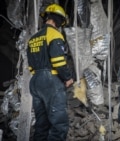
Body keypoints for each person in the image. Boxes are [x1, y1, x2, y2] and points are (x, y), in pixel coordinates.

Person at [26, 3, 74, 141]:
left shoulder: (33, 38)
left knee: (42, 124)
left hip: (35, 81)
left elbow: (30, 65)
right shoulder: (55, 34)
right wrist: (67, 77)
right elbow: (58, 61)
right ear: (58, 20)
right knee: (59, 124)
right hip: (51, 80)